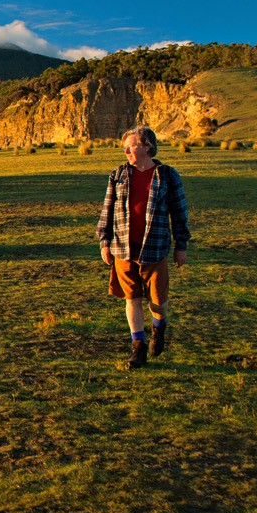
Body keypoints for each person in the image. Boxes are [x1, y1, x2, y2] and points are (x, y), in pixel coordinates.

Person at [96, 126, 191, 368]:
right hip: (123, 249)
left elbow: (179, 212)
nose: (126, 151)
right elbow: (107, 210)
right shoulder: (117, 175)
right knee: (132, 298)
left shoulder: (168, 175)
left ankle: (159, 329)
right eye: (124, 147)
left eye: (131, 146)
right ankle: (137, 347)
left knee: (157, 301)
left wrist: (182, 244)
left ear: (147, 146)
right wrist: (104, 242)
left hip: (155, 249)